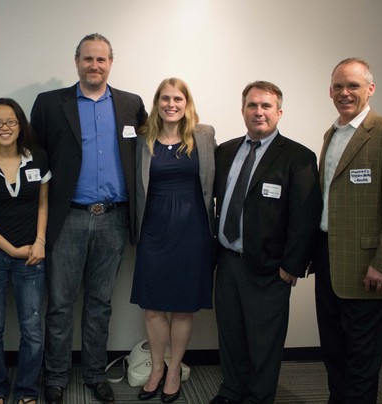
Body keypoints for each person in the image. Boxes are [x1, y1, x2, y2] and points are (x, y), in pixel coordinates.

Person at [30, 33, 147, 404]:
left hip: (113, 218)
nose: (94, 66)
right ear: (76, 61)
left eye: (101, 60)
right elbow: (37, 160)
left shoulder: (131, 104)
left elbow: (150, 149)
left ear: (111, 62)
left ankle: (96, 373)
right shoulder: (50, 104)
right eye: (87, 59)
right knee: (61, 304)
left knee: (100, 303)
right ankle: (56, 377)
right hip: (68, 219)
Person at [314, 58, 382, 403]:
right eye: (338, 86)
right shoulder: (331, 135)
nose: (345, 93)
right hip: (328, 262)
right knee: (334, 353)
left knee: (362, 360)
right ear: (330, 91)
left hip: (368, 268)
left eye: (353, 85)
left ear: (370, 89)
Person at [211, 81, 322, 404]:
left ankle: (259, 398)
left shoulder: (298, 157)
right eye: (252, 105)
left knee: (264, 341)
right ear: (243, 110)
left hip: (271, 269)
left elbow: (305, 216)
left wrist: (293, 267)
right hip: (228, 260)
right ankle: (231, 391)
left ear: (279, 112)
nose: (258, 112)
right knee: (230, 335)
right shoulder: (226, 151)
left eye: (266, 106)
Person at [131, 78, 216, 403]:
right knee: (152, 307)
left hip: (192, 232)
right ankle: (156, 368)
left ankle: (174, 369)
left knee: (182, 308)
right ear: (157, 102)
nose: (171, 104)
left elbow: (215, 181)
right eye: (165, 98)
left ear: (186, 102)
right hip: (153, 231)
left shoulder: (204, 136)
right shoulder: (143, 139)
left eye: (178, 98)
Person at [0, 98, 51, 404]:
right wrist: (10, 250)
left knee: (32, 327)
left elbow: (44, 204)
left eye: (11, 122)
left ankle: (27, 391)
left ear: (20, 125)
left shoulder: (38, 158)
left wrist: (40, 241)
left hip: (32, 255)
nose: (5, 128)